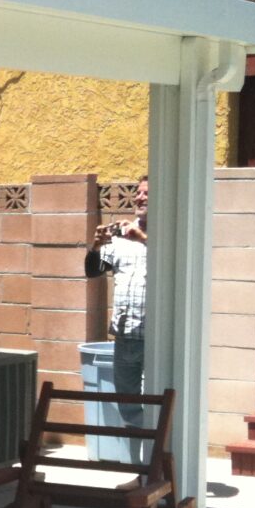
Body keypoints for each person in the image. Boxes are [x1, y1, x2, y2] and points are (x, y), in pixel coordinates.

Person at [85, 176, 148, 425]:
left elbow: (176, 263)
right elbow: (94, 271)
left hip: (159, 337)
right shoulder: (120, 236)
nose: (139, 197)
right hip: (126, 336)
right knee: (127, 399)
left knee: (158, 400)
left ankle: (159, 453)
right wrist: (97, 247)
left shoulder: (170, 234)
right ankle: (141, 452)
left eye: (146, 193)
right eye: (138, 192)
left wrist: (142, 238)